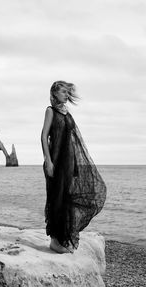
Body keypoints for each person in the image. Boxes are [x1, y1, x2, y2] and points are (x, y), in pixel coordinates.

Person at [41, 80, 107, 254]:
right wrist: (48, 160)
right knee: (57, 198)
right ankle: (55, 241)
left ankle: (64, 238)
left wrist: (76, 163)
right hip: (56, 160)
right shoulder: (50, 111)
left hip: (69, 161)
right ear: (54, 93)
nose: (66, 95)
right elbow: (43, 136)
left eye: (67, 92)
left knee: (68, 199)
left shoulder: (67, 112)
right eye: (63, 92)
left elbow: (73, 140)